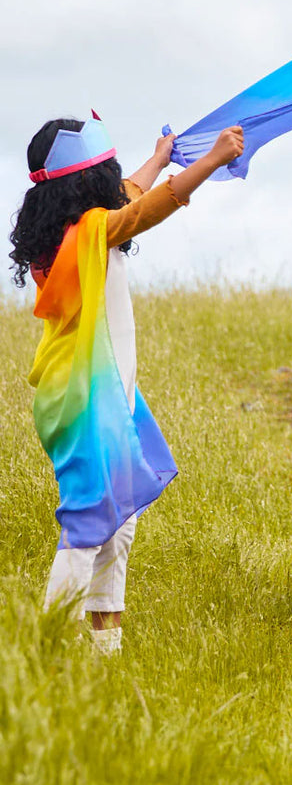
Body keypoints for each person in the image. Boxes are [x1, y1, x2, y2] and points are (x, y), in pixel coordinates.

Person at [9, 113, 244, 653]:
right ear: (87, 185)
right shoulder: (92, 231)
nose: (116, 182)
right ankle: (49, 647)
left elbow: (131, 194)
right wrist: (209, 162)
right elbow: (142, 208)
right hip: (84, 399)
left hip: (104, 394)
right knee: (92, 519)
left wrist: (160, 157)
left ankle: (102, 652)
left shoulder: (76, 231)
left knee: (119, 521)